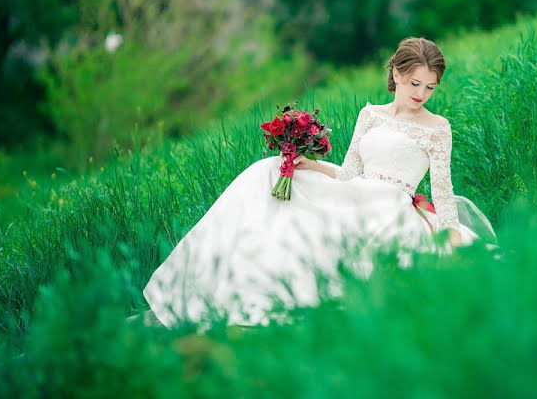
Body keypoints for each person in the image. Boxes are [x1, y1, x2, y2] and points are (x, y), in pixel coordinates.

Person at [142, 37, 497, 328]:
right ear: (396, 74)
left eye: (430, 87)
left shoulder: (437, 128)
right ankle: (219, 277)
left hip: (391, 205)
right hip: (355, 190)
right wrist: (310, 164)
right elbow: (349, 172)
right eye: (414, 83)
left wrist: (450, 235)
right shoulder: (370, 114)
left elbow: (443, 190)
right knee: (265, 170)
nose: (421, 94)